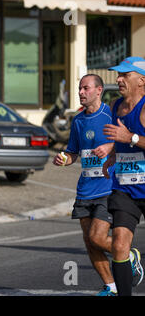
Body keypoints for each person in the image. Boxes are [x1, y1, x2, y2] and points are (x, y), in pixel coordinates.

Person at [53, 74, 124, 295]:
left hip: (108, 186)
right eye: (80, 88)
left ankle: (128, 255)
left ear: (98, 90)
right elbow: (74, 151)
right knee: (90, 242)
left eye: (86, 88)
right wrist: (64, 158)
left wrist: (110, 147)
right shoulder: (79, 120)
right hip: (85, 189)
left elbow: (126, 140)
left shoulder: (111, 114)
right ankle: (110, 286)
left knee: (97, 237)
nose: (81, 92)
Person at [102, 56, 145, 296]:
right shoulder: (116, 106)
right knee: (119, 245)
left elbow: (129, 137)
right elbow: (119, 140)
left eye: (124, 75)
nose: (118, 79)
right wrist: (113, 154)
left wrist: (131, 138)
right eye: (118, 75)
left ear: (141, 80)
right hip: (126, 187)